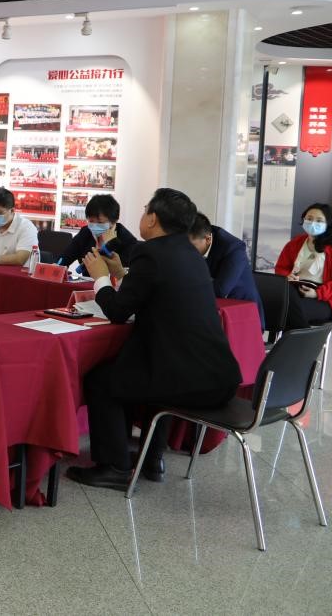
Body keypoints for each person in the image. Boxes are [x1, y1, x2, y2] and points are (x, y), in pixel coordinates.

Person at [66, 188, 242, 490]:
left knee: (102, 380)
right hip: (217, 377)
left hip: (186, 380)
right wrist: (121, 273)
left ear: (153, 219)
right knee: (135, 372)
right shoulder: (190, 253)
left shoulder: (151, 252)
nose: (143, 215)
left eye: (146, 209)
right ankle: (152, 459)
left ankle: (114, 467)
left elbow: (118, 312)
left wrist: (100, 277)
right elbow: (156, 291)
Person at [189, 213, 265, 328]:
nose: (188, 251)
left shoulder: (233, 247)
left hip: (243, 316)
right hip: (212, 310)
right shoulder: (195, 238)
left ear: (208, 239)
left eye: (191, 246)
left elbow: (220, 289)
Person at [274, 202, 332, 327]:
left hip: (325, 298)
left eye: (319, 220)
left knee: (288, 310)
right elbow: (281, 268)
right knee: (276, 305)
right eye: (309, 219)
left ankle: (300, 339)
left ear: (328, 224)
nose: (312, 223)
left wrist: (317, 293)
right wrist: (287, 276)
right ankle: (299, 338)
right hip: (295, 290)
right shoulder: (295, 243)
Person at [58, 194, 139, 268]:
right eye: (91, 221)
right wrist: (57, 266)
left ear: (113, 221)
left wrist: (109, 246)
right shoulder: (85, 232)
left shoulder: (127, 240)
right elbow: (64, 258)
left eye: (100, 222)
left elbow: (124, 272)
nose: (94, 226)